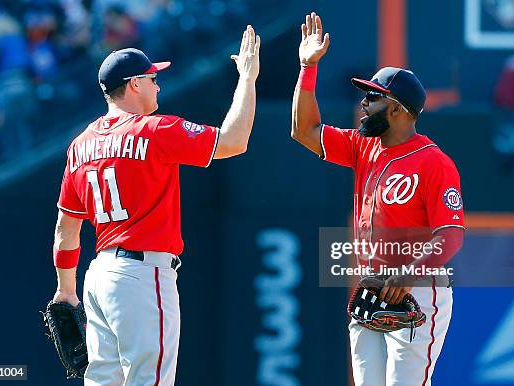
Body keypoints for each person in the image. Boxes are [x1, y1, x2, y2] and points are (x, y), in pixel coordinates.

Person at [51, 25, 260, 385]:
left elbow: (65, 228)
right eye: (151, 78)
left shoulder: (80, 145)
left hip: (97, 277)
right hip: (141, 275)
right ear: (134, 84)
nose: (157, 84)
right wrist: (247, 79)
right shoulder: (153, 129)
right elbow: (234, 141)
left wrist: (65, 290)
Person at [291, 12, 464, 386]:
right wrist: (307, 68)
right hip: (371, 287)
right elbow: (304, 130)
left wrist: (409, 272)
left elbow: (450, 235)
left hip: (418, 291)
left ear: (399, 109)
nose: (365, 103)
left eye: (374, 96)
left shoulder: (434, 162)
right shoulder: (362, 146)